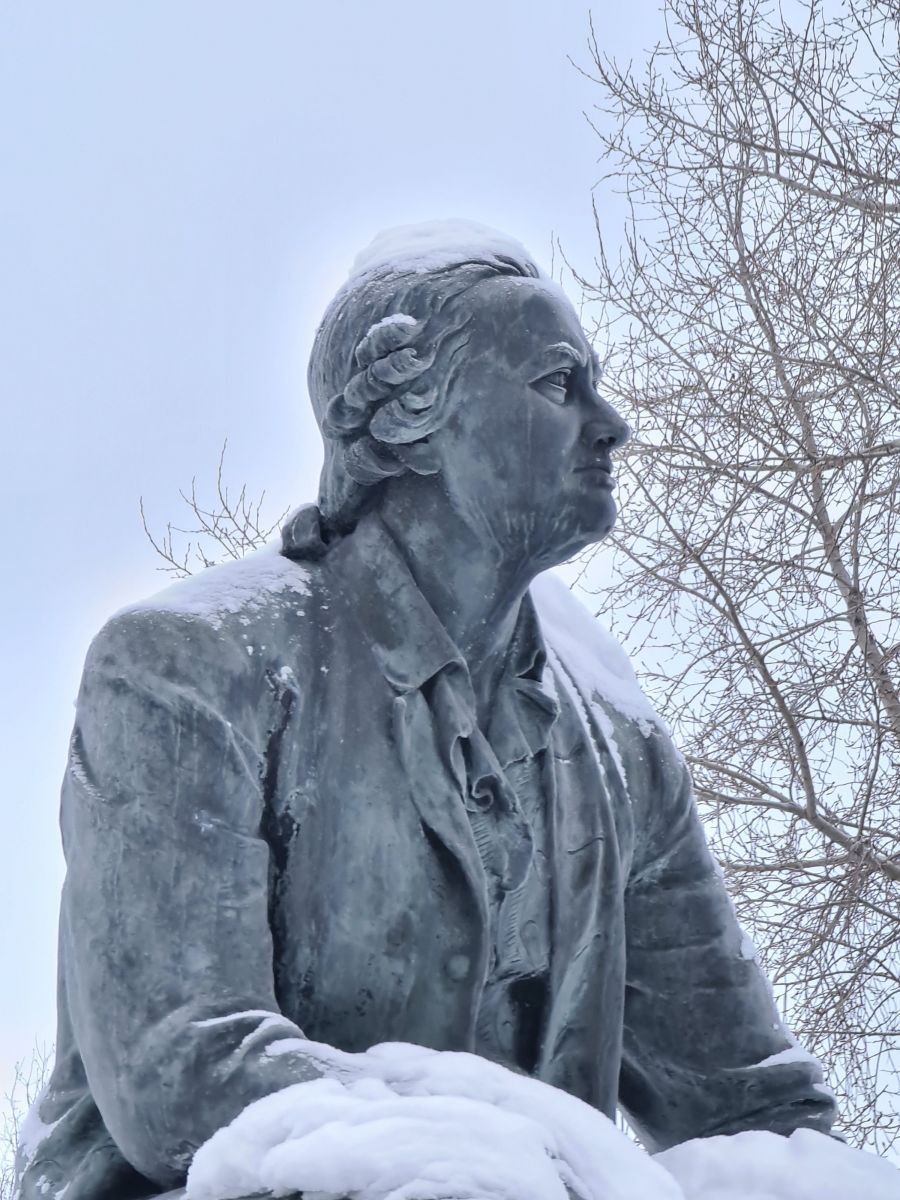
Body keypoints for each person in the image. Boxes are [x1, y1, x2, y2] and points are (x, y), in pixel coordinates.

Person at [16, 221, 835, 1200]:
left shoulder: (623, 744)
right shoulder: (188, 669)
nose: (611, 424)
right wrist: (523, 1157)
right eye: (558, 385)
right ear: (411, 418)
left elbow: (751, 1110)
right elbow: (187, 1077)